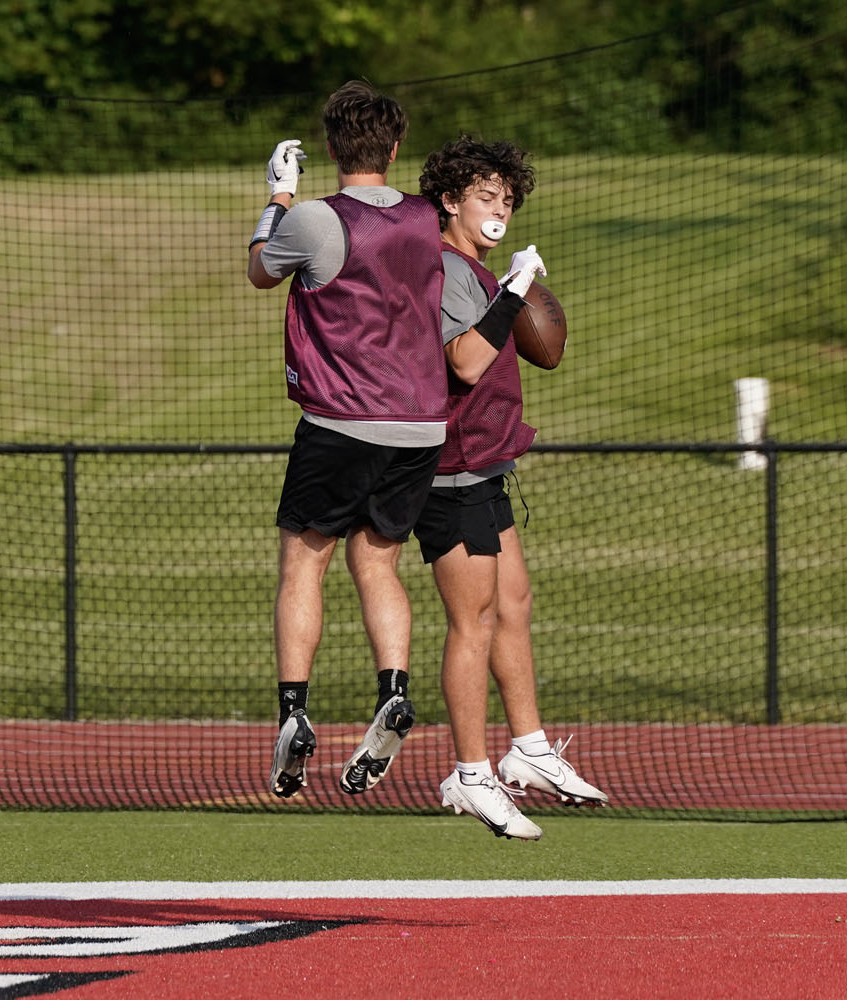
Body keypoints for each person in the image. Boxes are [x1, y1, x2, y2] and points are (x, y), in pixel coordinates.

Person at [247, 81, 448, 800]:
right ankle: (390, 688)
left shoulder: (312, 219)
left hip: (339, 421)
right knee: (380, 564)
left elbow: (259, 271)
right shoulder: (428, 217)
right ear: (394, 149)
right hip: (421, 423)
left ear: (331, 148)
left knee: (303, 564)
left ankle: (294, 712)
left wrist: (275, 197)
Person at [415, 136, 608, 839]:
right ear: (449, 200)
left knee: (515, 602)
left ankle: (527, 750)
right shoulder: (441, 270)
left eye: (507, 199)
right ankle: (469, 773)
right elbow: (465, 362)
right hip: (449, 470)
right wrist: (519, 287)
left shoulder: (481, 272)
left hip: (488, 463)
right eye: (485, 196)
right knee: (473, 622)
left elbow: (542, 352)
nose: (500, 210)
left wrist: (513, 287)